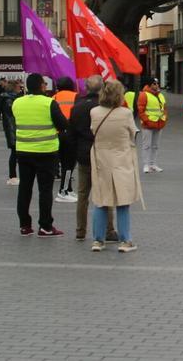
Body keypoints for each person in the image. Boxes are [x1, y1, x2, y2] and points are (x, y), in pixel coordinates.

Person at [88, 80, 143, 253]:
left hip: (100, 160)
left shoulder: (94, 112)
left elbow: (92, 131)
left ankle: (98, 240)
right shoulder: (126, 113)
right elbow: (133, 133)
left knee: (100, 200)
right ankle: (125, 240)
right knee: (123, 200)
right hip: (122, 159)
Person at [12, 73, 70, 236]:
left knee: (24, 188)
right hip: (46, 151)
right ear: (42, 86)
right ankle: (45, 226)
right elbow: (63, 124)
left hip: (23, 151)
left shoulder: (17, 103)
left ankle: (24, 225)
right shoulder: (49, 103)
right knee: (45, 190)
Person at [65, 75, 117, 242]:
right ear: (102, 88)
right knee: (105, 194)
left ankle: (80, 230)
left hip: (83, 155)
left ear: (86, 88)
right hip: (103, 154)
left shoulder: (77, 107)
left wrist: (72, 156)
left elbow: (71, 135)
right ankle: (109, 230)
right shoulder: (105, 107)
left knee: (82, 194)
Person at [53, 76, 79, 203]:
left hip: (58, 134)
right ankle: (64, 190)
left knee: (63, 163)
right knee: (69, 164)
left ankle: (67, 188)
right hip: (71, 134)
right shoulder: (76, 96)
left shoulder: (54, 97)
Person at [137, 77, 167, 174]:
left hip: (159, 123)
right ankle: (146, 165)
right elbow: (141, 111)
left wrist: (165, 118)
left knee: (155, 146)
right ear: (149, 85)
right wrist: (147, 121)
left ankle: (153, 164)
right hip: (148, 124)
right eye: (154, 83)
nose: (156, 85)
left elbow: (164, 108)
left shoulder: (161, 95)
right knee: (147, 145)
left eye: (157, 83)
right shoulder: (143, 95)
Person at [0, 79, 24, 185]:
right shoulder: (9, 99)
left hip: (13, 126)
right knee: (15, 152)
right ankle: (12, 176)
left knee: (16, 152)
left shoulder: (9, 98)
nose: (20, 89)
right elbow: (12, 111)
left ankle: (13, 175)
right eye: (19, 87)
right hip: (12, 127)